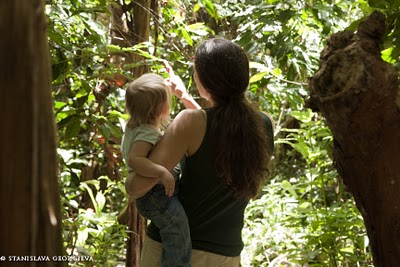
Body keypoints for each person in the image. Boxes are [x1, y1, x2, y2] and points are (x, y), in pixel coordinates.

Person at [125, 38, 274, 267]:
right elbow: (217, 130)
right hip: (226, 256)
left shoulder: (190, 123)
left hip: (177, 251)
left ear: (204, 79)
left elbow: (135, 187)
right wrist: (185, 98)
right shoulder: (262, 125)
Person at [121, 72, 200, 267]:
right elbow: (136, 159)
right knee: (177, 230)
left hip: (153, 195)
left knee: (174, 230)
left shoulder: (135, 127)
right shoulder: (147, 132)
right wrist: (161, 172)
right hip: (155, 195)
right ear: (159, 108)